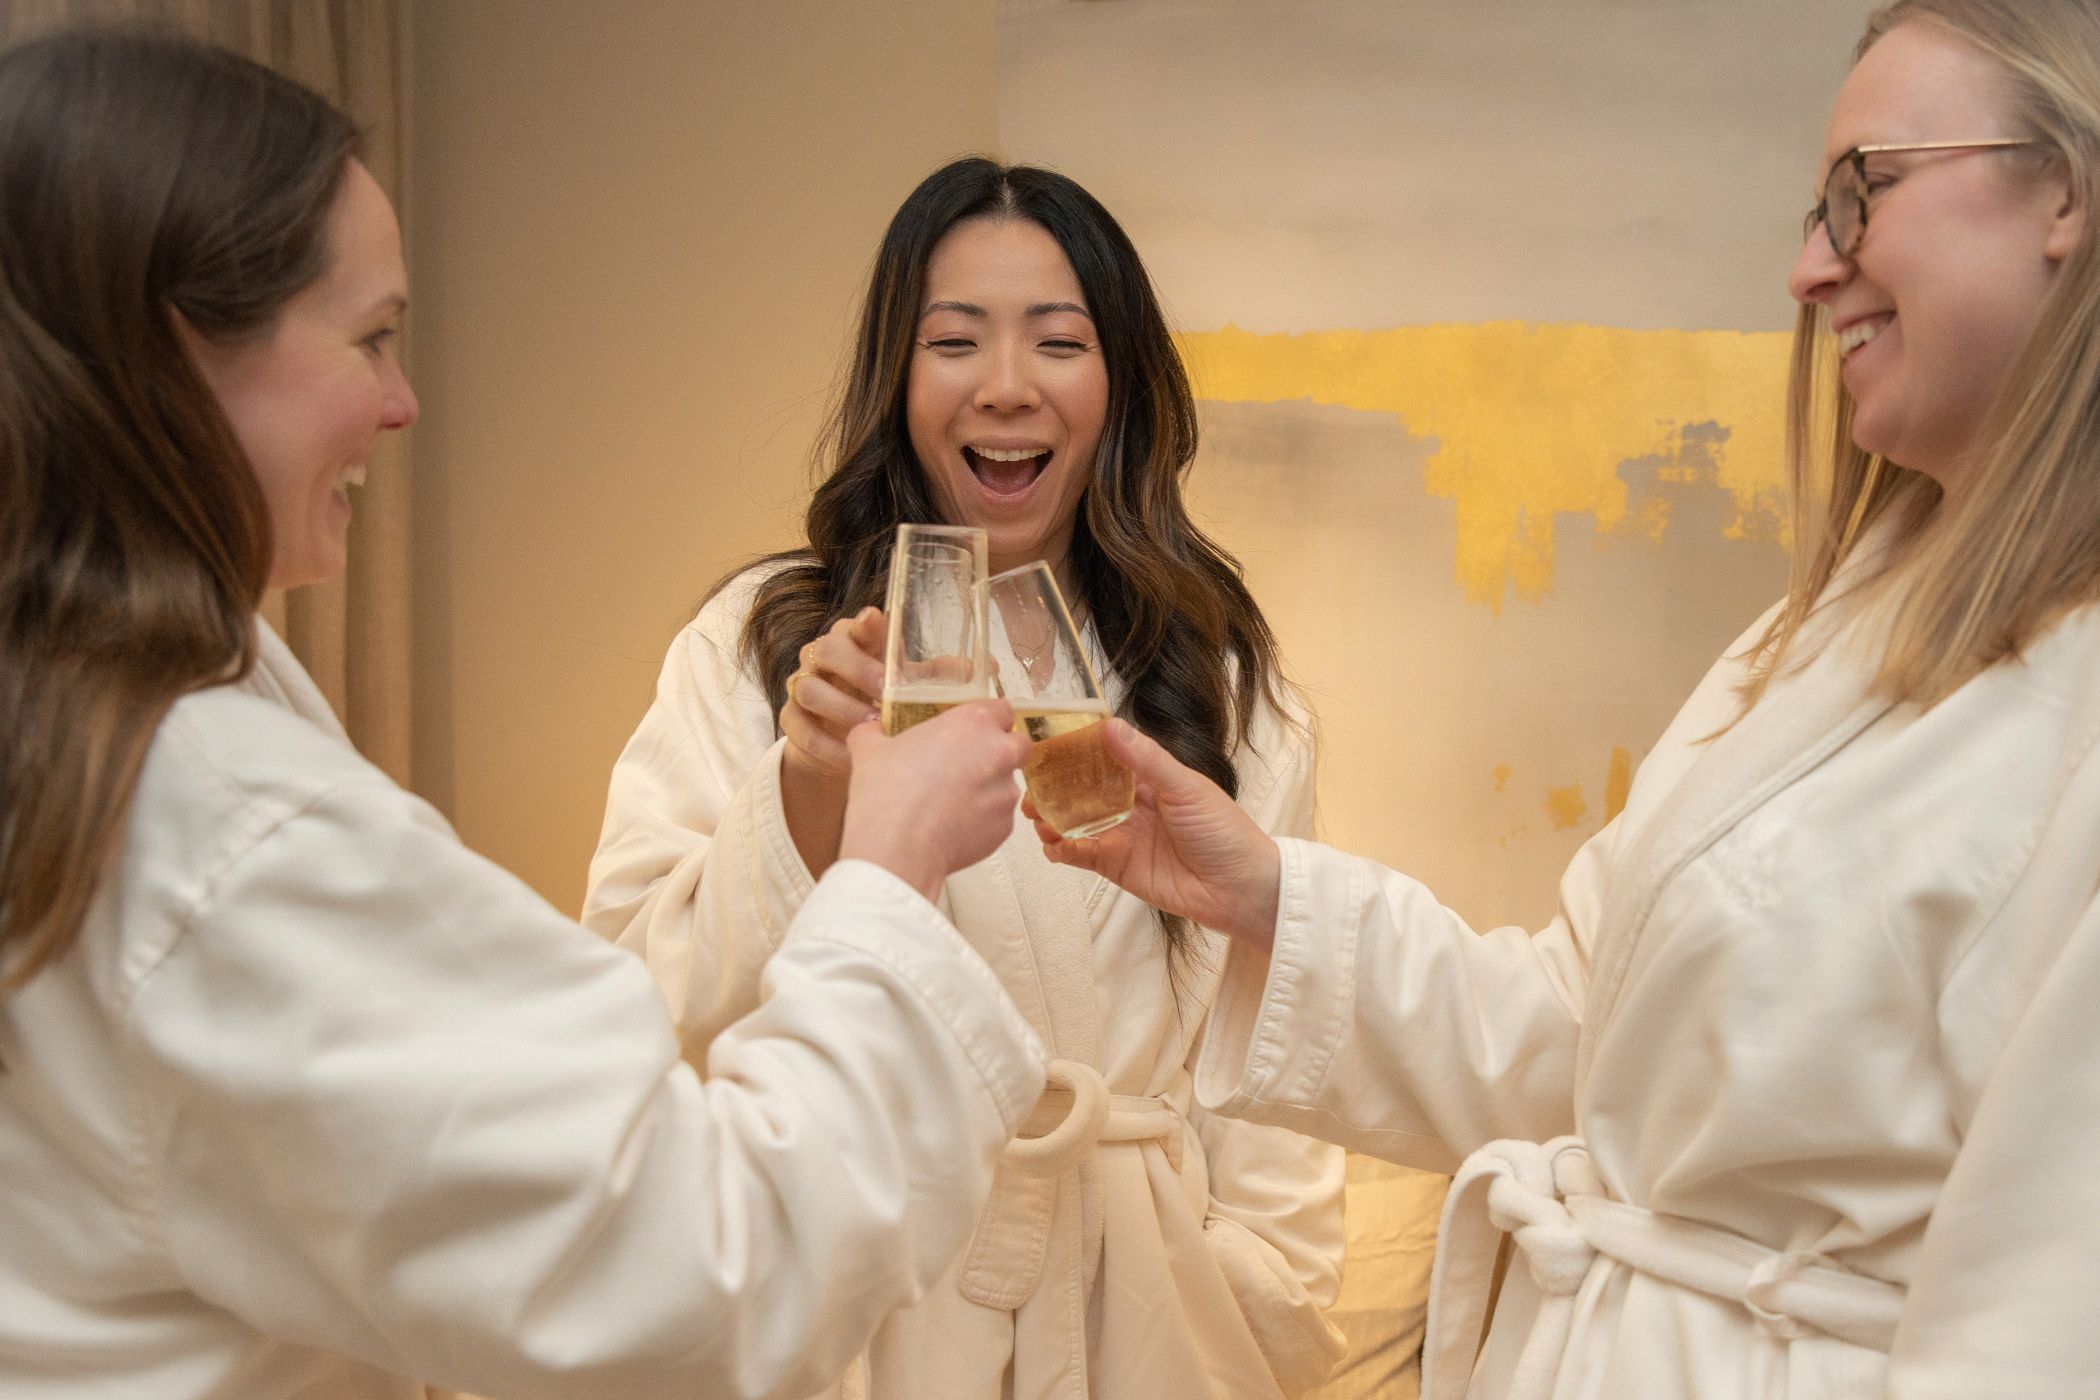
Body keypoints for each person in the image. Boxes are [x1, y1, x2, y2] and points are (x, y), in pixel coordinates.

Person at [1033, 2, 2100, 1397]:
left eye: (1863, 192)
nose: (1805, 270)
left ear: (2066, 195)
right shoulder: (1826, 627)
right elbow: (1585, 1035)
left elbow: (2035, 1329)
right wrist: (1261, 894)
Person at [0, 28, 1049, 1400]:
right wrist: (875, 866)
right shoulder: (232, 829)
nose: (403, 402)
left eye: (1061, 340)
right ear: (172, 353)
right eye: (371, 337)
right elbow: (693, 1270)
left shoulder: (119, 709)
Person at [586, 158, 1347, 1399]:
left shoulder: (1215, 683)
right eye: (954, 341)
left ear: (1123, 384)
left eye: (1059, 340)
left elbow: (1278, 1067)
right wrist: (809, 796)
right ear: (899, 376)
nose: (1005, 387)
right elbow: (636, 991)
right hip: (874, 1313)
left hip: (1148, 1321)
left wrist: (1253, 1295)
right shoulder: (762, 646)